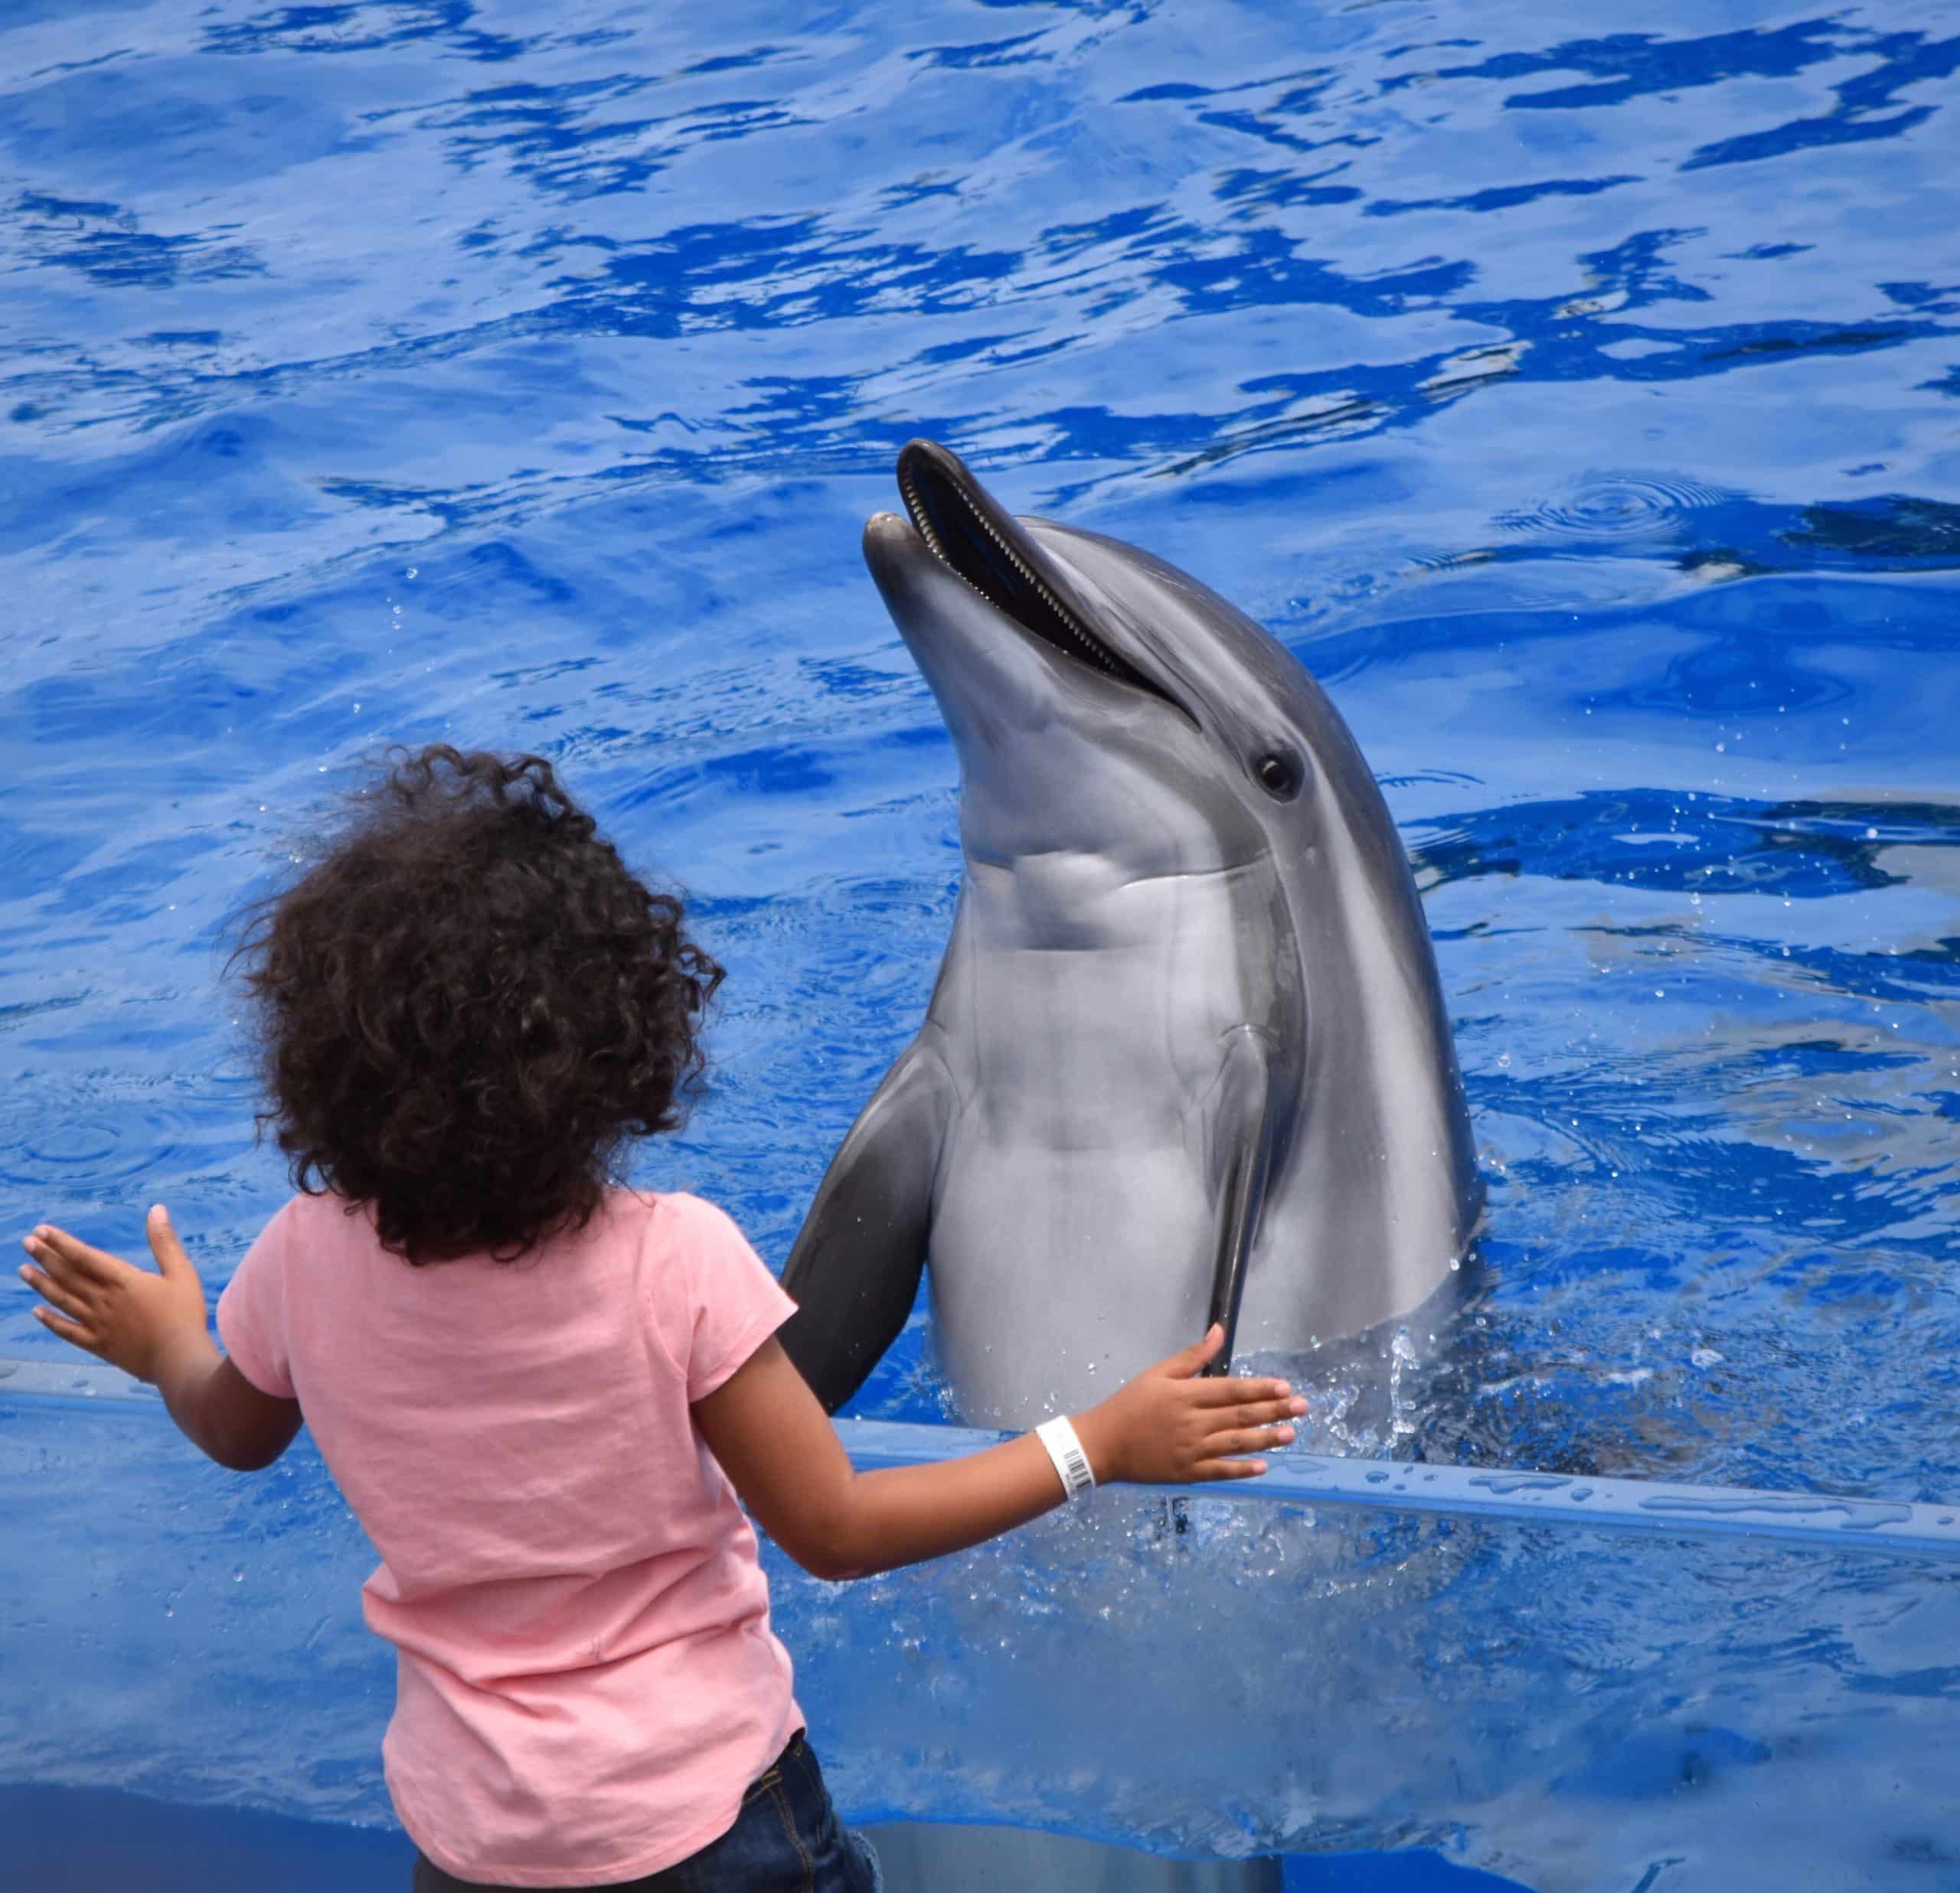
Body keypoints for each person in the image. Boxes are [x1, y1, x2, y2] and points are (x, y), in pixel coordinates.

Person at [17, 745, 1305, 1893]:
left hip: (476, 1840)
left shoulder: (302, 1261)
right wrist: (1102, 1440)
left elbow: (234, 1425)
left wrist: (165, 1340)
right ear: (618, 1036)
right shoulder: (674, 1261)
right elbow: (838, 1530)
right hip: (713, 1829)